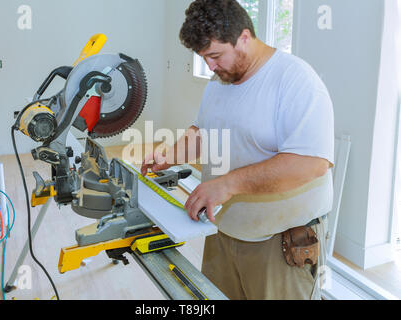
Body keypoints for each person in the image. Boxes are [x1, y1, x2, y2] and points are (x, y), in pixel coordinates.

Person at [141, 0, 334, 300]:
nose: (211, 66)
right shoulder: (219, 83)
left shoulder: (296, 81)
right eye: (204, 58)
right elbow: (204, 134)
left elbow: (311, 164)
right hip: (222, 231)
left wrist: (229, 184)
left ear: (244, 37)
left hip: (279, 244)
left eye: (215, 56)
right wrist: (169, 156)